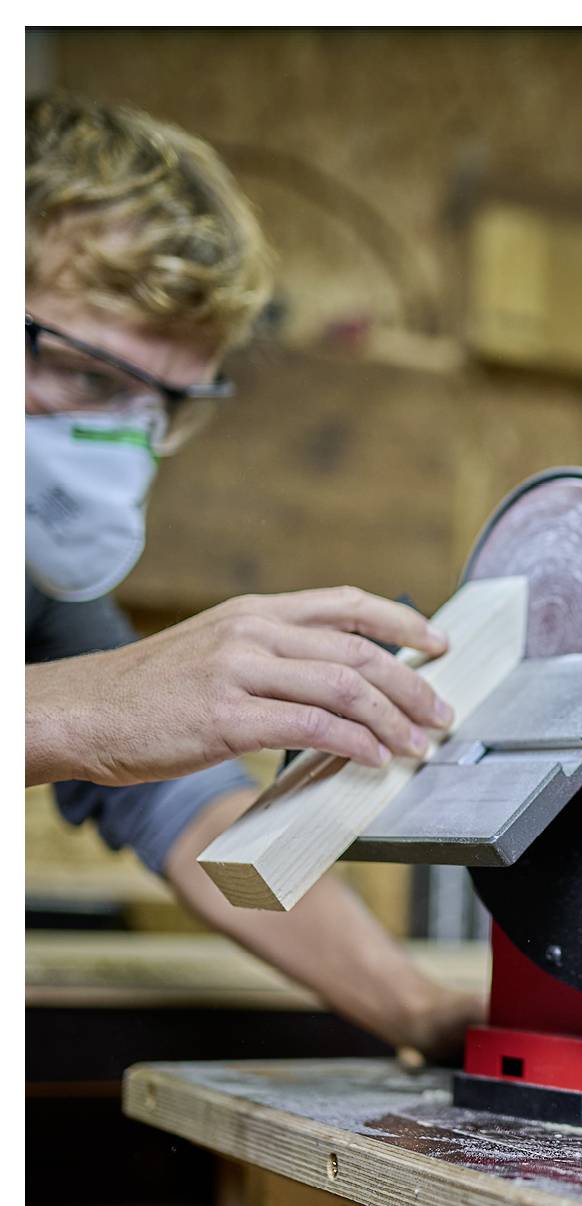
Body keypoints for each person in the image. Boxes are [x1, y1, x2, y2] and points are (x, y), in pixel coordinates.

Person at [25, 91, 482, 1058]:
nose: (122, 442)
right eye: (88, 377)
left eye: (164, 406)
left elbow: (197, 819)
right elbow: (90, 713)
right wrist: (88, 708)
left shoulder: (34, 589)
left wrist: (418, 1010)